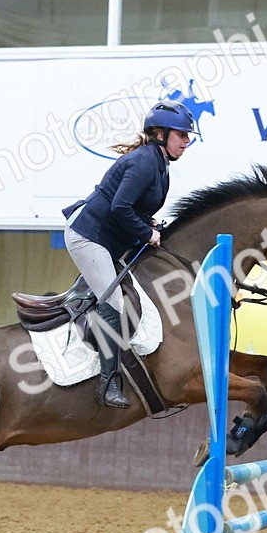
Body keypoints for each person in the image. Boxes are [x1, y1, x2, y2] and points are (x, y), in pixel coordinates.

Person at [61, 101, 197, 408]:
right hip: (88, 237)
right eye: (181, 135)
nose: (186, 141)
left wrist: (148, 223)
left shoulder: (160, 165)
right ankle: (108, 383)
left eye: (188, 136)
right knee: (114, 301)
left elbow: (130, 208)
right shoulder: (145, 162)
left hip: (107, 238)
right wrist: (148, 233)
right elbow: (119, 207)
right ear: (160, 134)